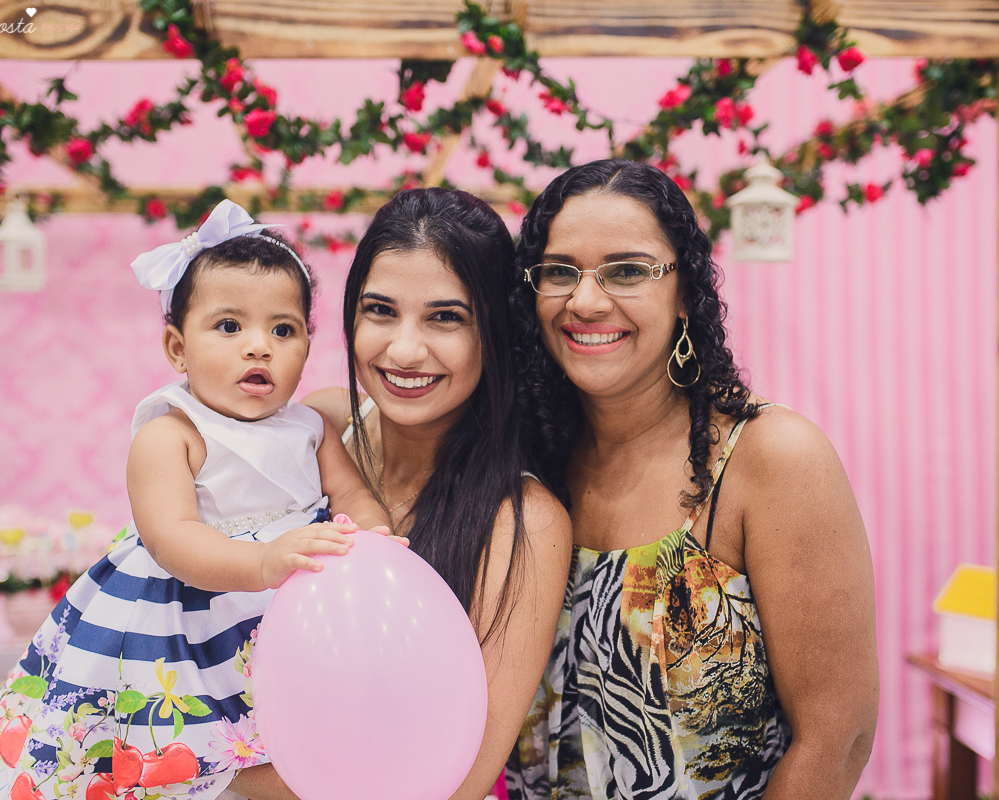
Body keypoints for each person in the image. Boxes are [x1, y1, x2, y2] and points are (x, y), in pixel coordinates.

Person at [0, 200, 390, 800]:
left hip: (284, 613)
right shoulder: (171, 433)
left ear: (307, 348)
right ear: (177, 348)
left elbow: (353, 495)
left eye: (282, 329)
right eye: (230, 327)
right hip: (185, 617)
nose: (259, 346)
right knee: (169, 756)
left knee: (293, 742)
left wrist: (375, 543)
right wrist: (263, 565)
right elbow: (172, 537)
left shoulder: (309, 427)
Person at [505, 160, 879, 800]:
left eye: (626, 271)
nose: (586, 300)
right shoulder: (530, 467)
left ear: (685, 291)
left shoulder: (770, 459)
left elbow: (835, 741)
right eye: (560, 272)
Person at [228, 188, 573, 800]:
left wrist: (178, 766)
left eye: (446, 317)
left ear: (494, 334)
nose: (404, 350)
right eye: (380, 311)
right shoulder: (318, 432)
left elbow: (459, 779)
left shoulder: (523, 522)